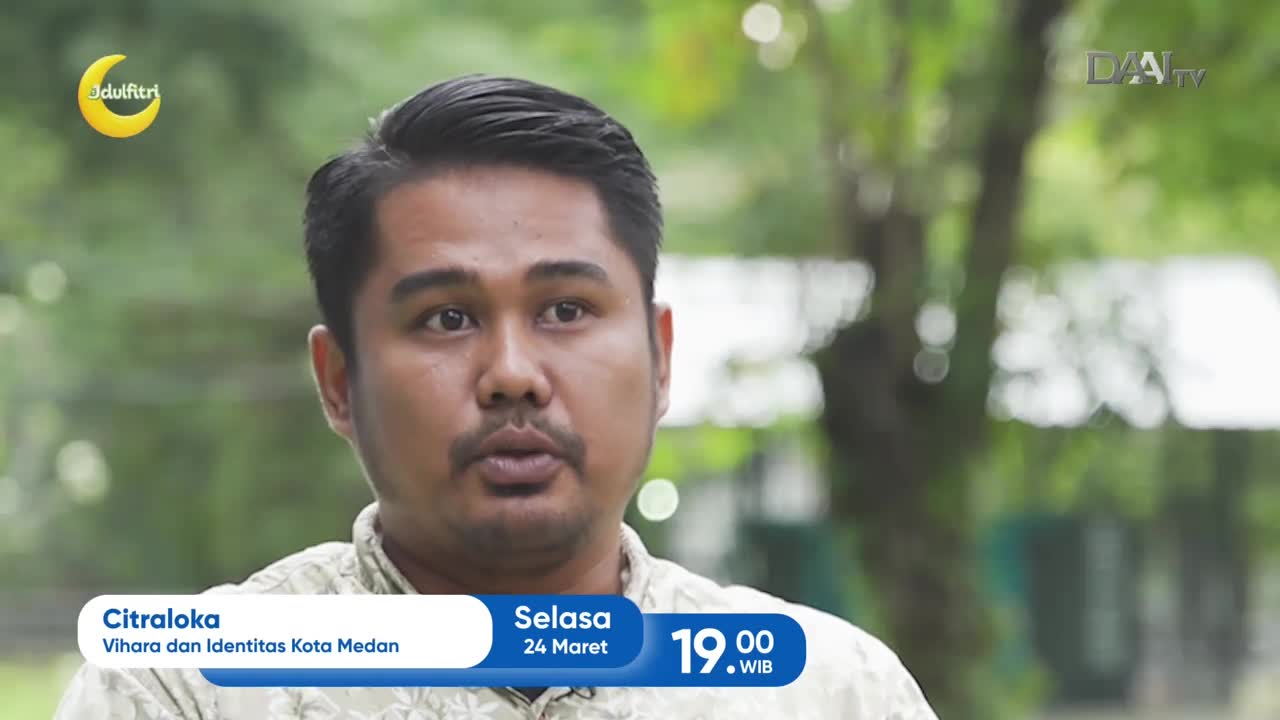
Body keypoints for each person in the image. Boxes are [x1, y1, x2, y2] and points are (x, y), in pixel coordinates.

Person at [56, 75, 938, 719]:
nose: (512, 372)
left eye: (565, 309)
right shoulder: (178, 690)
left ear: (660, 359)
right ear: (339, 382)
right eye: (445, 318)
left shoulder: (829, 691)